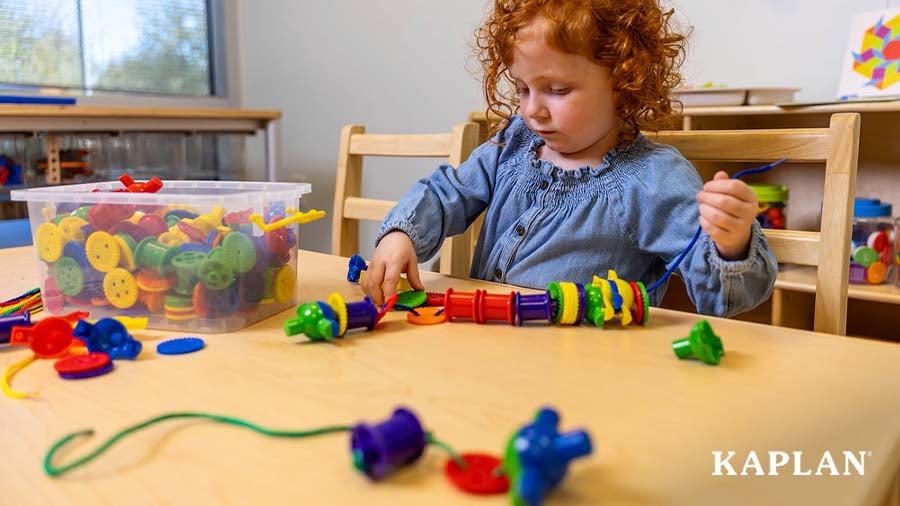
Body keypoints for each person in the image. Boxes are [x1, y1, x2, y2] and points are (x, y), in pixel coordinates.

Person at [361, 0, 777, 317]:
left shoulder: (652, 178)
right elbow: (446, 192)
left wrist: (731, 243)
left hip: (586, 375)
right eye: (523, 89)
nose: (532, 110)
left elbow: (726, 301)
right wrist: (402, 235)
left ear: (623, 80)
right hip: (484, 355)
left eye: (556, 90)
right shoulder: (516, 143)